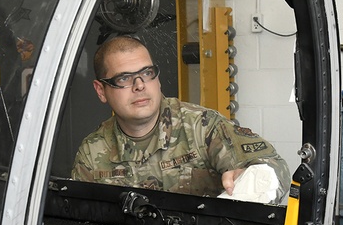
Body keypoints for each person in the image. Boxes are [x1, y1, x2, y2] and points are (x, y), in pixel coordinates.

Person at [71, 35, 291, 200]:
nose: (140, 86)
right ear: (101, 91)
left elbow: (275, 167)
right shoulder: (92, 152)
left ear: (157, 79)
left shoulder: (201, 127)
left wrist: (252, 179)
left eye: (147, 73)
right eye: (124, 78)